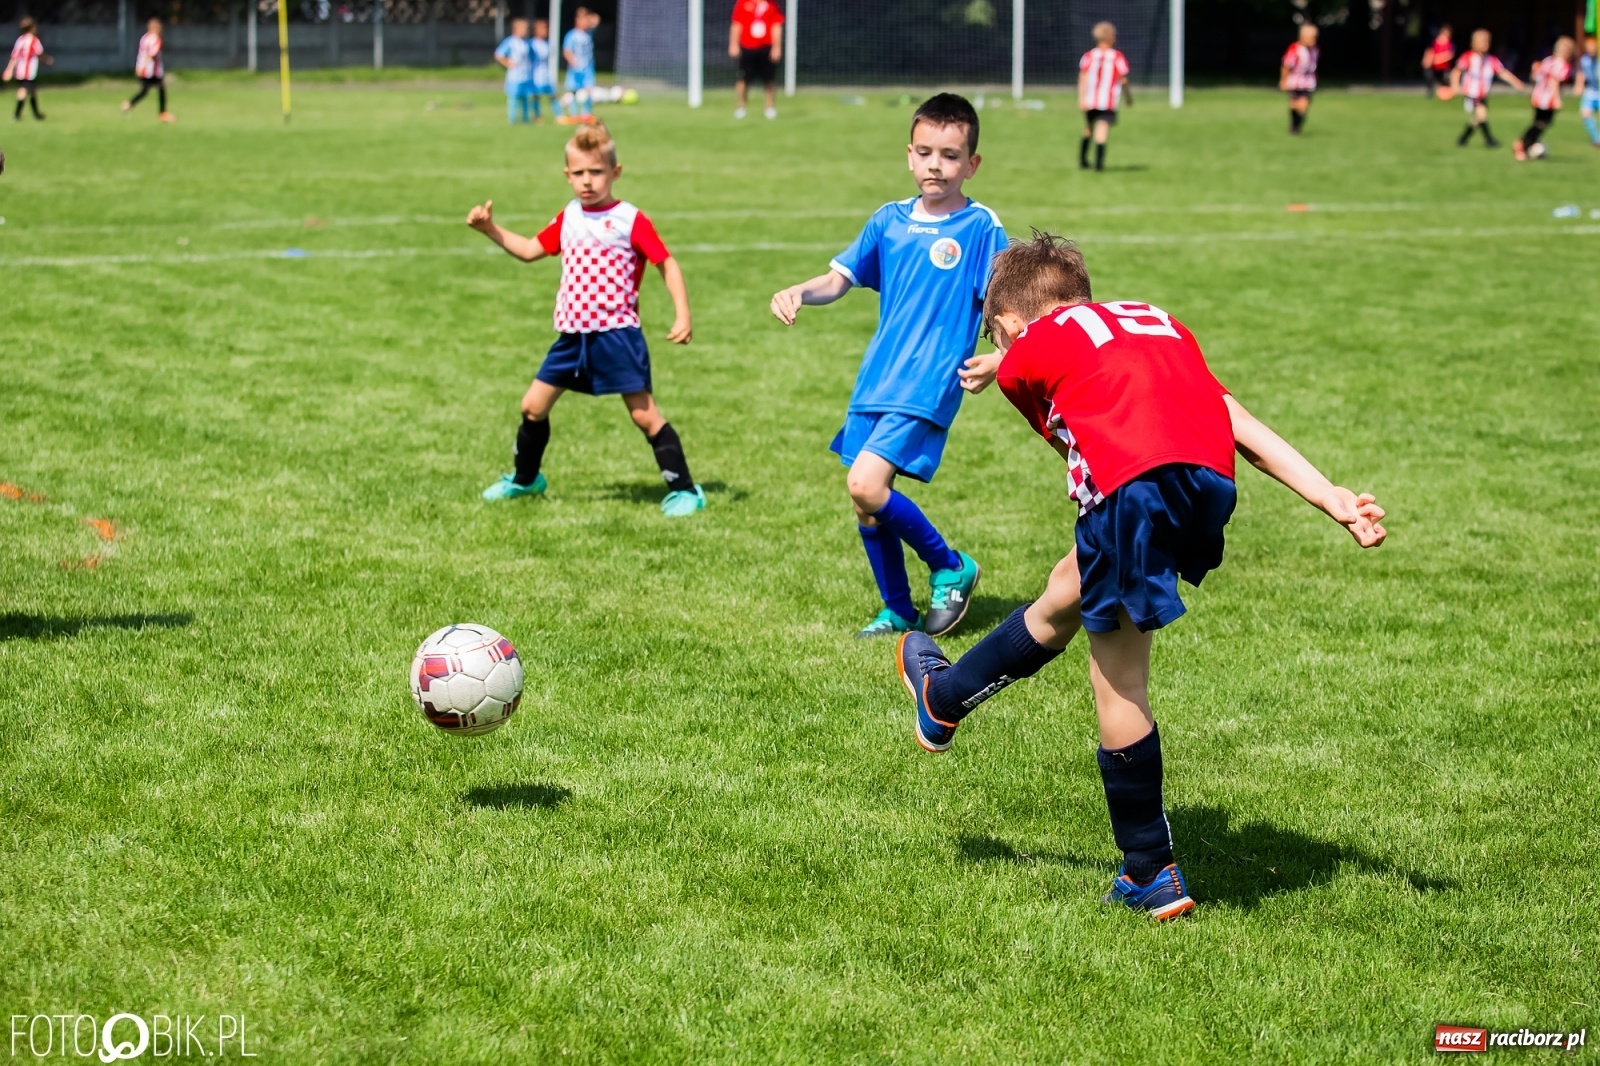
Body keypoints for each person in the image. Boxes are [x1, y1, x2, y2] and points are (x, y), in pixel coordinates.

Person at [895, 233, 1388, 919]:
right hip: (1208, 482)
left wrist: (1008, 358)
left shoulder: (1018, 359)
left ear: (1007, 323)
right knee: (1069, 584)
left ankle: (1150, 870)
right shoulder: (1155, 322)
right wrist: (1329, 495)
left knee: (1118, 676)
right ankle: (944, 698)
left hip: (1136, 488)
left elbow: (1081, 442)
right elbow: (1230, 414)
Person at [769, 94, 1005, 639]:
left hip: (929, 381)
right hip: (879, 377)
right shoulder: (889, 220)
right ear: (909, 155)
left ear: (972, 164)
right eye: (925, 153)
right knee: (867, 508)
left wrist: (1000, 356)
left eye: (950, 155)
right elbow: (839, 279)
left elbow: (1004, 301)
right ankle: (898, 608)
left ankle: (950, 565)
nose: (935, 166)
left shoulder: (979, 227)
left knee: (866, 484)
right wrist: (800, 290)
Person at [465, 122, 706, 517]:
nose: (587, 181)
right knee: (532, 407)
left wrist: (683, 313)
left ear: (615, 172)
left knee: (644, 415)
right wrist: (489, 228)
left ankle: (685, 490)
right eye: (578, 173)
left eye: (596, 172)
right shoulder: (569, 217)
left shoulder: (630, 220)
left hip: (616, 335)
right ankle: (525, 480)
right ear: (567, 175)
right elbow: (529, 249)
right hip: (572, 337)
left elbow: (666, 262)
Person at [1451, 29, 1525, 147]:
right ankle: (1489, 141)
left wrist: (1516, 82)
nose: (1485, 45)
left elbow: (1502, 72)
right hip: (1471, 93)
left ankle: (1463, 139)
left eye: (1487, 42)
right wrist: (1455, 86)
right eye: (1482, 42)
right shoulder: (1468, 57)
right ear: (1474, 43)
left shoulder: (1491, 60)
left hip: (1483, 94)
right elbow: (1456, 71)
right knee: (1482, 114)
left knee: (1479, 117)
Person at [1077, 22, 1130, 171]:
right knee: (1102, 130)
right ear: (1112, 37)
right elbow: (1123, 79)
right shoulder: (1117, 56)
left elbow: (1083, 77)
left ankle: (1082, 161)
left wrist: (1081, 98)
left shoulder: (1088, 56)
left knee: (1088, 128)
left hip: (1090, 100)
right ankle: (1098, 164)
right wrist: (1128, 97)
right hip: (1107, 101)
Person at [1516, 37, 1576, 160]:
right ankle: (1522, 144)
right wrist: (1557, 99)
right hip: (1548, 99)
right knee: (1542, 123)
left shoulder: (1548, 60)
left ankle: (1529, 145)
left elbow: (1535, 76)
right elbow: (1554, 82)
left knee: (1539, 122)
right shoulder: (1563, 65)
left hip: (1538, 96)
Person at [729, 0, 783, 120]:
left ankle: (769, 108)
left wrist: (777, 47)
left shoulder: (771, 4)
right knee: (743, 78)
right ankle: (741, 107)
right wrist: (733, 44)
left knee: (769, 78)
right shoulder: (743, 3)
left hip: (766, 47)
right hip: (747, 47)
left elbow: (776, 26)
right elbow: (736, 24)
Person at [122, 18, 174, 122]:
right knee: (159, 88)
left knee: (146, 90)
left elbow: (141, 54)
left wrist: (139, 67)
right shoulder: (156, 39)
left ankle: (129, 104)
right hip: (152, 71)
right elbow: (151, 54)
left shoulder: (144, 38)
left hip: (142, 69)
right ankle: (162, 113)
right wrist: (144, 66)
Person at [495, 18, 541, 125]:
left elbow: (533, 57)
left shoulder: (527, 43)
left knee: (525, 97)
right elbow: (498, 54)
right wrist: (508, 63)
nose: (526, 30)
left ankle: (526, 119)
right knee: (514, 97)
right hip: (514, 76)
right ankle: (512, 119)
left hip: (526, 75)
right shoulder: (510, 41)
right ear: (516, 29)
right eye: (523, 28)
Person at [4, 18, 50, 122]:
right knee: (23, 91)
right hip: (29, 72)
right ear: (32, 28)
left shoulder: (20, 40)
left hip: (19, 71)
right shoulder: (34, 40)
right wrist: (47, 60)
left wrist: (9, 70)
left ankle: (36, 114)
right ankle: (16, 115)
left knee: (33, 91)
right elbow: (39, 54)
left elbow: (14, 57)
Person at [558, 8, 598, 126]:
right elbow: (566, 50)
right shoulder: (572, 35)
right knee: (573, 92)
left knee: (589, 91)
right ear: (577, 20)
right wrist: (572, 60)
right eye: (583, 20)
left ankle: (586, 114)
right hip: (575, 69)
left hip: (588, 68)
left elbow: (596, 19)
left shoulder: (588, 33)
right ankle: (574, 114)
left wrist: (586, 15)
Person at [1279, 24, 1318, 135]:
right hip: (1295, 82)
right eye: (1311, 37)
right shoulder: (1295, 49)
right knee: (1296, 105)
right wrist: (1283, 80)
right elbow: (1286, 65)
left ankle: (1296, 127)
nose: (1313, 40)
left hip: (1308, 82)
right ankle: (1294, 127)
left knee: (1303, 105)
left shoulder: (1315, 50)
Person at [1422, 25, 1456, 96]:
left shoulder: (1450, 44)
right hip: (1434, 67)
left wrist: (1437, 59)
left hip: (1444, 67)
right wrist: (1427, 60)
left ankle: (1445, 94)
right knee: (1429, 76)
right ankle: (1430, 92)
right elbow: (1429, 52)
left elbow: (1450, 55)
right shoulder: (1434, 42)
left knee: (1445, 80)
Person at [1578, 36, 1599, 148]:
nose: (1592, 50)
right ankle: (1597, 139)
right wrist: (1579, 85)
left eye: (1594, 48)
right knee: (1585, 113)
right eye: (1589, 48)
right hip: (1591, 91)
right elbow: (1581, 73)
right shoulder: (1584, 60)